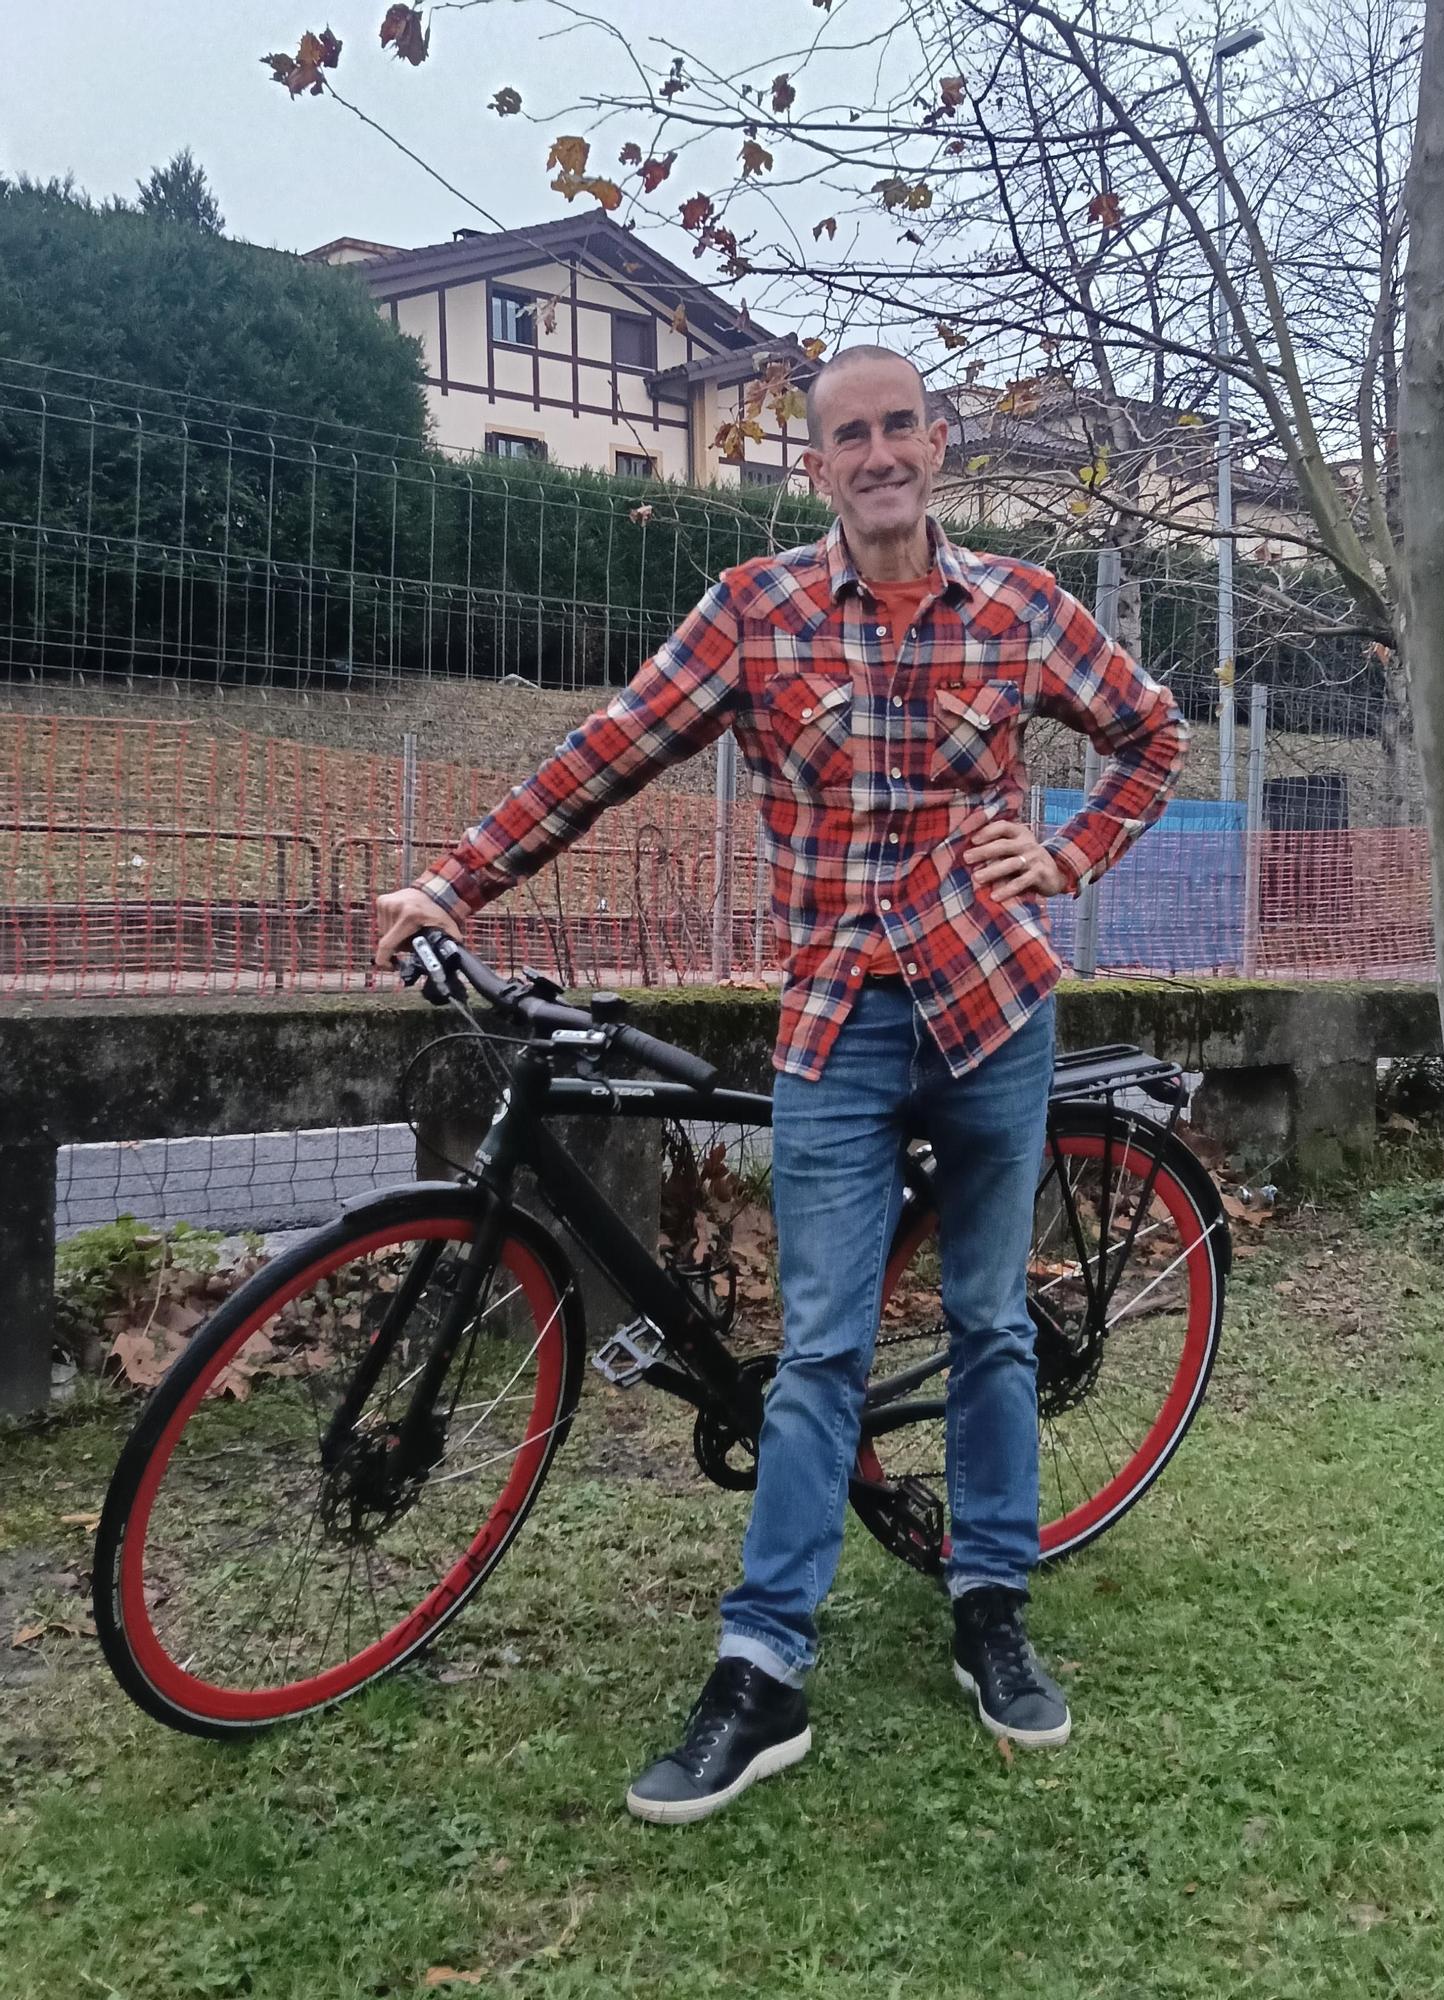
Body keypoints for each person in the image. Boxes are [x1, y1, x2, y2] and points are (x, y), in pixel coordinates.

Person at [375, 346, 1187, 1825]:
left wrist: (1069, 853)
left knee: (992, 1322)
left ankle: (990, 1607)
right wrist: (454, 882)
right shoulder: (754, 614)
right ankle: (761, 1674)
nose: (878, 453)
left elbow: (1152, 732)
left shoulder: (1020, 608)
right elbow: (605, 753)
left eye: (899, 427)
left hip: (994, 1012)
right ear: (815, 467)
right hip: (837, 1027)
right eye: (848, 435)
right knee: (818, 1351)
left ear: (936, 444)